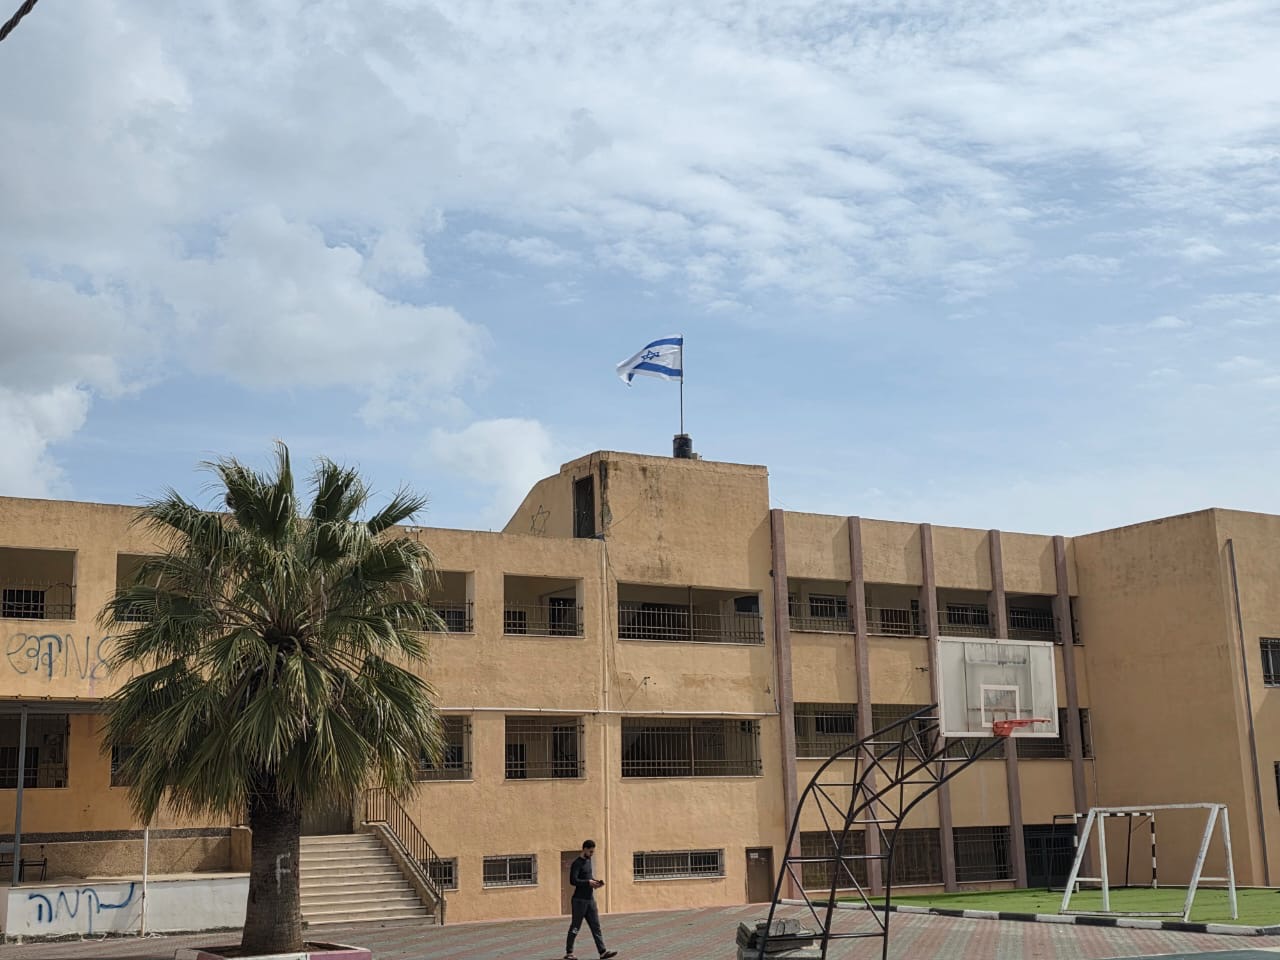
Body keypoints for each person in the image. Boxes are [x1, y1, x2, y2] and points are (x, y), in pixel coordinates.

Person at [565, 839, 617, 960]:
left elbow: (588, 877)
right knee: (575, 927)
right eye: (591, 851)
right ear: (585, 849)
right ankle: (569, 953)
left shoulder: (588, 861)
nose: (592, 854)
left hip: (590, 900)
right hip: (579, 901)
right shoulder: (577, 863)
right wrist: (588, 882)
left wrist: (595, 882)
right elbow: (573, 881)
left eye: (593, 852)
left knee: (596, 926)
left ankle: (602, 952)